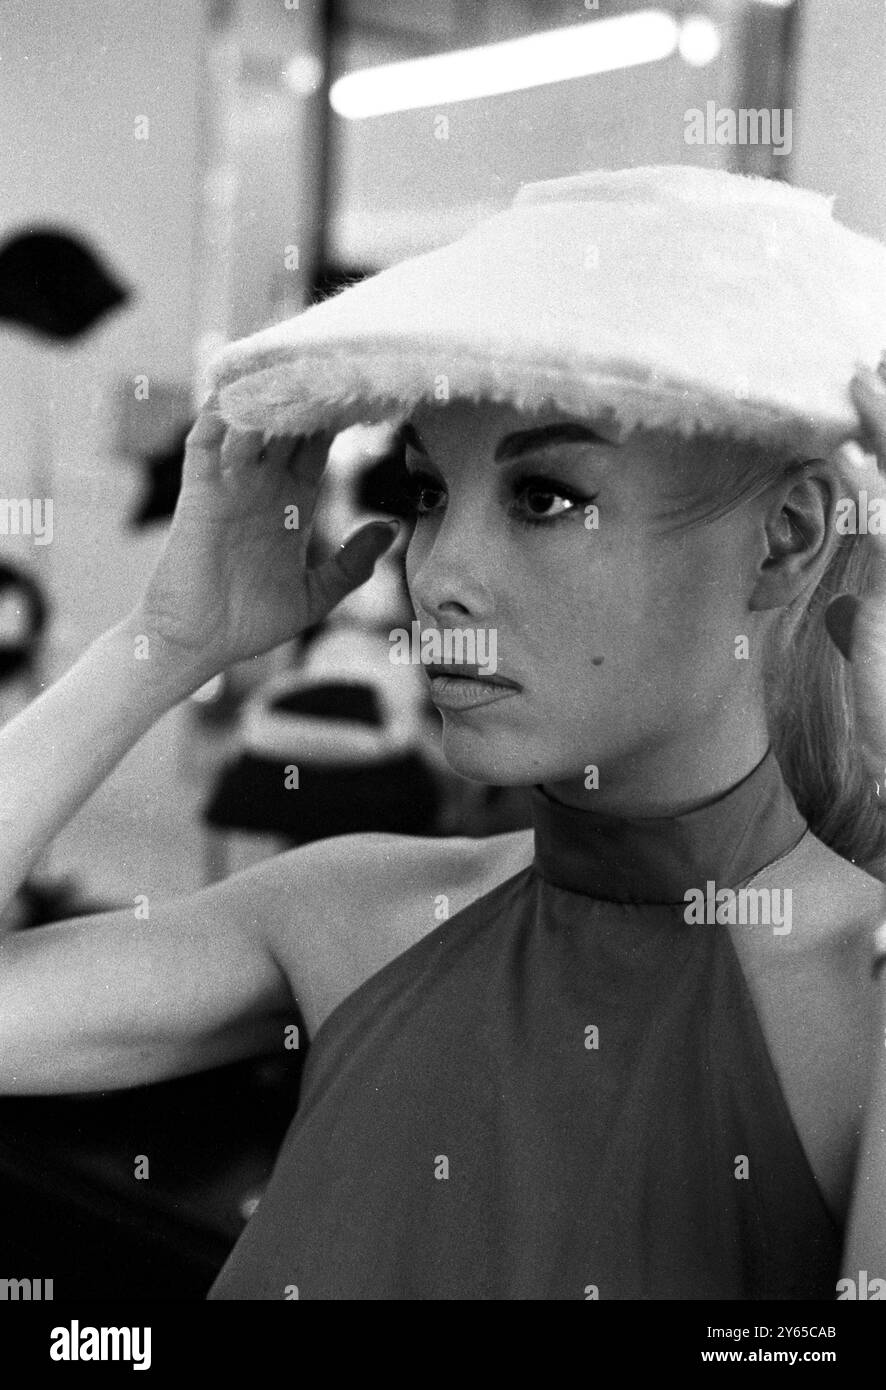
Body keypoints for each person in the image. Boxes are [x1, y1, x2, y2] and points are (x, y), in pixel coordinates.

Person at [1, 165, 885, 1300]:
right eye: (426, 490)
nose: (436, 573)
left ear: (785, 538)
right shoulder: (350, 915)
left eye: (545, 497)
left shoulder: (854, 1003)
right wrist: (163, 645)